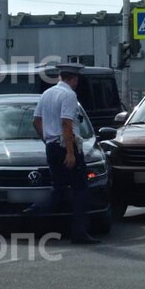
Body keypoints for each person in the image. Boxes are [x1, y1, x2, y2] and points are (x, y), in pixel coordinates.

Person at [32, 63, 100, 245]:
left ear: (61, 76)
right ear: (74, 79)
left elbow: (36, 121)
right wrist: (70, 152)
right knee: (80, 190)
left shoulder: (47, 93)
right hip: (66, 147)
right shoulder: (69, 95)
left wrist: (46, 140)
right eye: (77, 79)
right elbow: (66, 124)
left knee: (59, 189)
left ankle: (30, 215)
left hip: (52, 147)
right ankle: (79, 232)